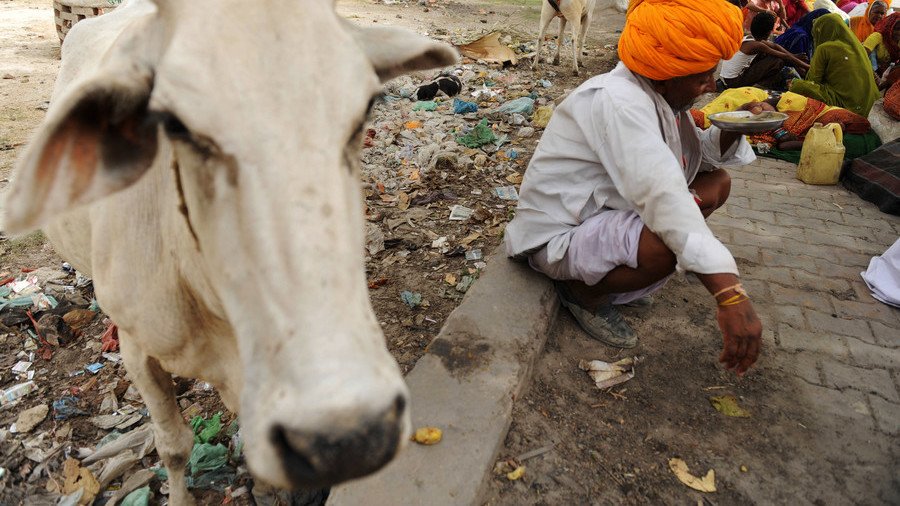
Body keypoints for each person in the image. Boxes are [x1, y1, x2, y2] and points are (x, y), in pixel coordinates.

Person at [505, 0, 762, 375]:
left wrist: (733, 127)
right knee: (666, 243)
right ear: (666, 72)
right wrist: (728, 292)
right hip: (560, 235)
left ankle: (616, 281)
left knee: (717, 183)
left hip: (606, 216)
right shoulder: (619, 101)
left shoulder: (659, 95)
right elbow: (664, 194)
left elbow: (695, 160)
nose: (710, 85)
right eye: (702, 76)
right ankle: (583, 294)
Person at [790, 13, 880, 115]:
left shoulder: (824, 48)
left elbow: (813, 81)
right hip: (872, 106)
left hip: (847, 106)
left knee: (798, 85)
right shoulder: (859, 47)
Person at [721, 12, 810, 89]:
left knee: (769, 55)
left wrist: (795, 56)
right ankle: (758, 86)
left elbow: (775, 46)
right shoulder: (757, 45)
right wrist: (807, 67)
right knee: (777, 61)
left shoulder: (749, 38)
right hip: (733, 82)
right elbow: (783, 56)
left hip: (728, 78)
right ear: (769, 32)